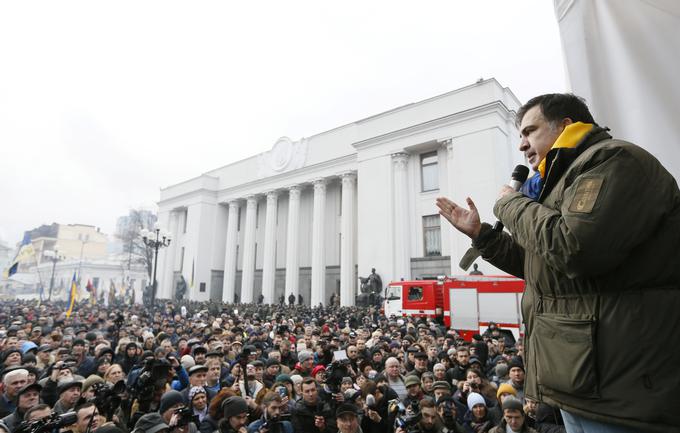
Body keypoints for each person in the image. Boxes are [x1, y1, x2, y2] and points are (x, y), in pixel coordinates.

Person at [437, 93, 680, 433]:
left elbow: (574, 248)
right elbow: (543, 265)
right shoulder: (558, 182)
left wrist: (511, 204)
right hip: (580, 382)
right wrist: (483, 235)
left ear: (566, 125)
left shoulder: (611, 161)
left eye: (530, 131)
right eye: (520, 135)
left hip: (618, 391)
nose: (522, 145)